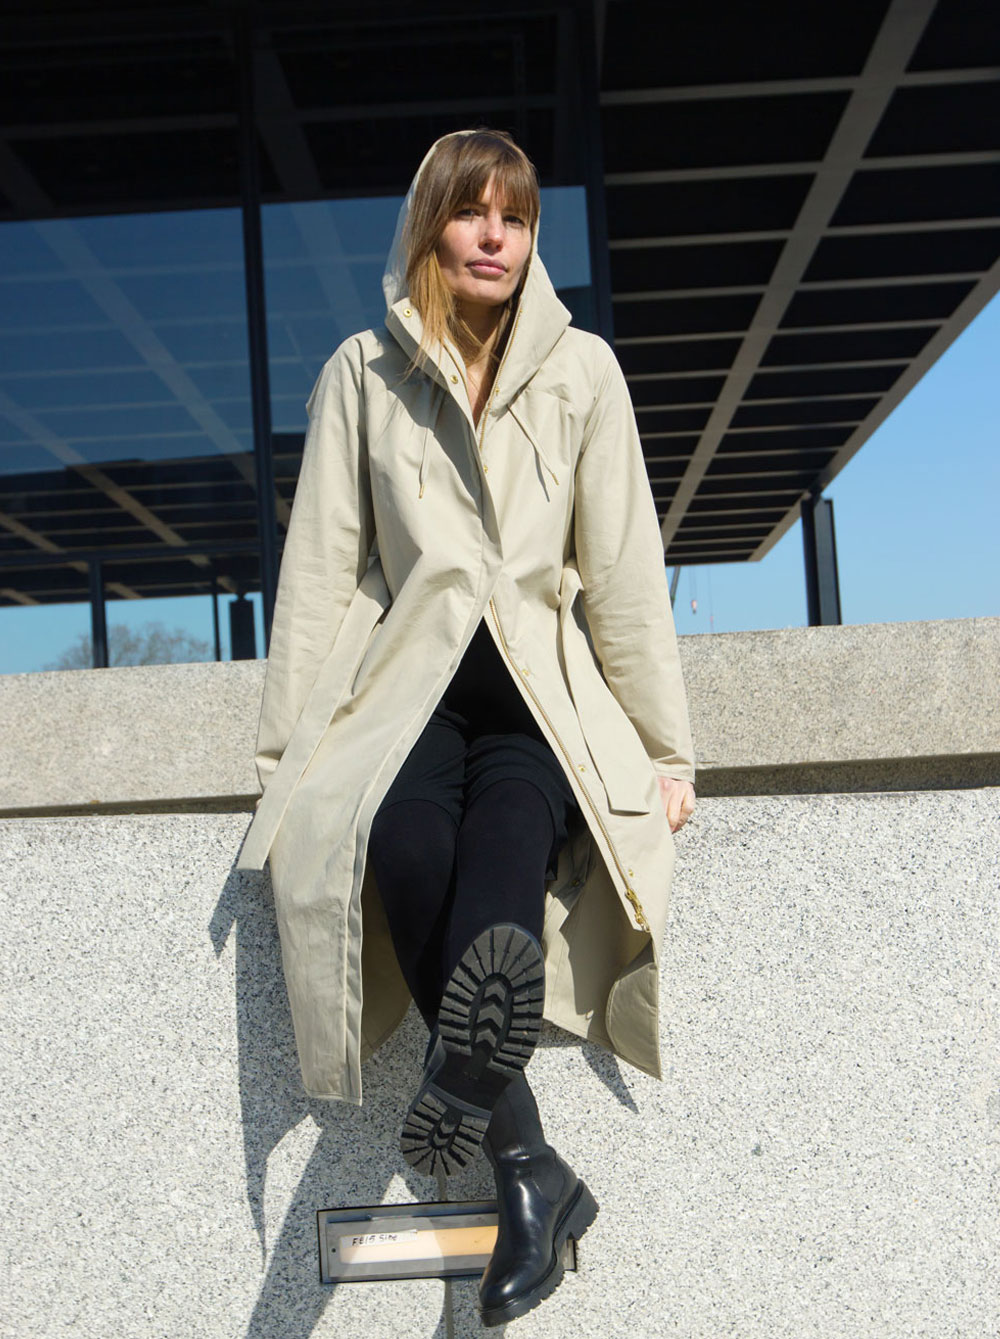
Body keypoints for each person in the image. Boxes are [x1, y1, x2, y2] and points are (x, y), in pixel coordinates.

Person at [238, 128, 695, 1327]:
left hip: (538, 693)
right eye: (472, 212)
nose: (496, 236)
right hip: (412, 689)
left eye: (518, 216)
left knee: (498, 885)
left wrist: (665, 751)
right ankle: (528, 1158)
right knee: (402, 850)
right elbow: (318, 576)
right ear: (429, 227)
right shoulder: (362, 372)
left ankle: (511, 1142)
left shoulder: (584, 371)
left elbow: (623, 571)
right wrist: (283, 770)